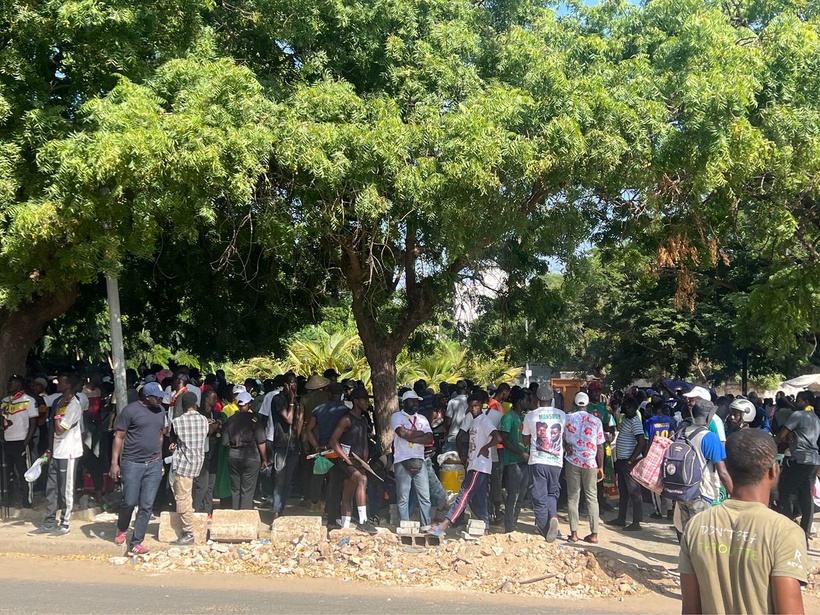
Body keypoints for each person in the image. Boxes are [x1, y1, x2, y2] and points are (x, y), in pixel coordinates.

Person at [679, 429, 807, 614]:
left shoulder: (696, 526)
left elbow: (690, 609)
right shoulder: (784, 531)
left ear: (728, 470)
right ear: (773, 470)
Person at [428, 394, 500, 537]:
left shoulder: (484, 421)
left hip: (480, 465)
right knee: (478, 499)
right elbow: (460, 435)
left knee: (464, 494)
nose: (474, 409)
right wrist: (462, 454)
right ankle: (485, 528)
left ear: (481, 406)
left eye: (477, 406)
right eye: (472, 406)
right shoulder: (471, 420)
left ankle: (444, 524)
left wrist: (486, 447)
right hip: (473, 463)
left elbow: (498, 437)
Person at [109, 381, 166, 554]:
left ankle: (136, 542)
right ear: (146, 396)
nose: (160, 400)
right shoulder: (130, 411)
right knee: (130, 501)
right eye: (157, 397)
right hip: (132, 463)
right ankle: (122, 528)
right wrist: (114, 463)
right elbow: (119, 436)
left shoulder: (161, 411)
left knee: (146, 505)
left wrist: (160, 459)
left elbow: (160, 435)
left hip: (154, 464)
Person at [27, 373, 83, 537]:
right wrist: (49, 449)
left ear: (68, 385)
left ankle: (65, 523)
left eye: (61, 382)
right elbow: (52, 428)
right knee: (51, 489)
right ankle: (49, 522)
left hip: (69, 452)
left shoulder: (74, 405)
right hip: (56, 452)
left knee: (65, 489)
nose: (57, 384)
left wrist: (58, 412)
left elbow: (60, 429)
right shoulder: (59, 400)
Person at [673, 400, 733, 536]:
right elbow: (722, 472)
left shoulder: (680, 433)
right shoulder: (710, 438)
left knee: (687, 534)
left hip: (681, 491)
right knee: (702, 537)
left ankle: (686, 557)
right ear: (709, 417)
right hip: (701, 492)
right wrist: (735, 495)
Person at [328, 387, 377, 534]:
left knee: (348, 494)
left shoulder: (362, 420)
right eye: (364, 400)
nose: (367, 403)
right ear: (356, 401)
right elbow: (333, 441)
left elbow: (364, 442)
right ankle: (363, 521)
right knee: (362, 480)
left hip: (359, 462)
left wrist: (365, 460)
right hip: (348, 461)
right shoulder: (346, 419)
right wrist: (345, 459)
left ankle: (345, 526)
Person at [775, 390, 820, 540]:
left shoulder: (798, 415)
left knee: (784, 491)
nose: (795, 402)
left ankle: (788, 529)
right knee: (807, 497)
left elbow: (780, 437)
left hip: (799, 459)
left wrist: (786, 437)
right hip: (813, 461)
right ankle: (804, 533)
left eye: (799, 400)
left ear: (806, 402)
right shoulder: (815, 418)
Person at [523, 390, 566, 542]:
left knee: (539, 496)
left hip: (538, 461)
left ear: (537, 399)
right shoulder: (562, 415)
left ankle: (544, 529)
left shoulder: (531, 415)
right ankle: (553, 516)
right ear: (552, 398)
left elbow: (526, 440)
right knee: (552, 493)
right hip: (556, 462)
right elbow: (565, 436)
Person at [564, 392, 605, 544]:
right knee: (592, 498)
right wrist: (600, 466)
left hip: (572, 460)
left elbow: (562, 438)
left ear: (575, 403)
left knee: (573, 497)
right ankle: (594, 534)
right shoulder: (596, 421)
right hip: (590, 462)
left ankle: (574, 534)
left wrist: (567, 446)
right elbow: (600, 446)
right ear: (587, 404)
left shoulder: (568, 419)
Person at [169, 392, 209, 545]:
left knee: (183, 497)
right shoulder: (204, 420)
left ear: (182, 405)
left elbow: (174, 438)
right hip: (198, 461)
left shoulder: (177, 422)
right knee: (191, 494)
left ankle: (188, 532)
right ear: (196, 404)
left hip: (184, 463)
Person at [392, 390, 434, 530]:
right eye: (412, 401)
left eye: (416, 401)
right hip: (402, 459)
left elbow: (429, 438)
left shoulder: (422, 418)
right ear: (404, 402)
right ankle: (404, 526)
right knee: (403, 497)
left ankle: (426, 526)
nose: (415, 403)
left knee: (425, 496)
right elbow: (401, 433)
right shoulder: (397, 416)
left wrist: (410, 436)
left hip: (419, 459)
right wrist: (419, 434)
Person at [221, 391, 267, 510]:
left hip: (234, 456)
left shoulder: (230, 420)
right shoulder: (255, 419)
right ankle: (245, 518)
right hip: (251, 457)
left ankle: (235, 515)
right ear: (249, 404)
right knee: (247, 490)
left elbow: (224, 442)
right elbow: (261, 442)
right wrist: (264, 459)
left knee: (235, 489)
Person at [608, 395, 646, 531]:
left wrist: (631, 460)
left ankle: (636, 522)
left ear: (630, 407)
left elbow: (642, 442)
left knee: (634, 491)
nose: (622, 407)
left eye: (624, 405)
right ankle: (621, 519)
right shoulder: (626, 420)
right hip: (622, 460)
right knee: (623, 491)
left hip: (630, 461)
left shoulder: (635, 421)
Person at [1, 375, 38, 508]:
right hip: (7, 441)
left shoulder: (29, 400)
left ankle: (27, 501)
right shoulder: (5, 401)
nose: (9, 384)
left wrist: (26, 441)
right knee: (5, 472)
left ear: (20, 384)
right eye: (9, 381)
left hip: (21, 440)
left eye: (13, 382)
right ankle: (6, 500)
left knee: (24, 472)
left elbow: (33, 423)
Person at [268, 373, 301, 518]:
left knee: (289, 481)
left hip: (293, 444)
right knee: (280, 479)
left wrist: (297, 438)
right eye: (291, 384)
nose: (294, 387)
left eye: (296, 384)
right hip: (281, 444)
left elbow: (299, 420)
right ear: (286, 385)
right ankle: (276, 511)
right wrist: (292, 401)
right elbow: (288, 418)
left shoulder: (297, 401)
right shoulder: (278, 399)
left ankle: (282, 510)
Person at [498, 388, 530, 532]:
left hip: (525, 461)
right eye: (526, 400)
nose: (528, 402)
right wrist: (520, 453)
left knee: (521, 495)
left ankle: (514, 522)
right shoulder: (508, 418)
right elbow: (503, 439)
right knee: (513, 494)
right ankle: (509, 525)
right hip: (513, 462)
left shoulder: (525, 417)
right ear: (519, 401)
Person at [193, 389, 225, 514]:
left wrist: (216, 424)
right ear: (206, 398)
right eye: (214, 397)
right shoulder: (198, 414)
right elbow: (209, 431)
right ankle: (195, 511)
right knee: (202, 485)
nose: (216, 400)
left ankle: (207, 511)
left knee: (211, 484)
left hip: (213, 450)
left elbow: (221, 430)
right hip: (202, 452)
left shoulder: (217, 414)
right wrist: (215, 426)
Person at [644, 398, 675, 519]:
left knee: (654, 483)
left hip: (654, 454)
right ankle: (669, 509)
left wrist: (646, 455)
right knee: (667, 482)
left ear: (654, 409)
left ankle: (657, 511)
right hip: (667, 454)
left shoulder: (649, 422)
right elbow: (672, 436)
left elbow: (647, 440)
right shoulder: (670, 421)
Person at [444, 381, 469, 451]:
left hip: (453, 435)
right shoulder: (470, 401)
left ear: (456, 389)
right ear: (466, 388)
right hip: (466, 436)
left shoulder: (452, 402)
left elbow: (448, 422)